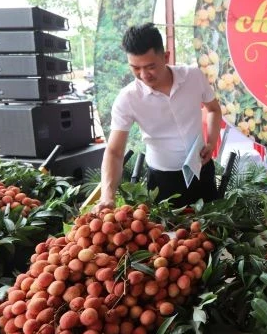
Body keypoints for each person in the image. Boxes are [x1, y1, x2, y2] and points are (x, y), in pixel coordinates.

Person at [94, 23, 222, 210]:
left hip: (202, 169)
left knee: (213, 231)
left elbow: (213, 110)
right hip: (163, 181)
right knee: (168, 236)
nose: (144, 75)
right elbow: (114, 152)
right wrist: (107, 195)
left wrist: (210, 143)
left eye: (150, 66)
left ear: (166, 56)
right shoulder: (128, 98)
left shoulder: (193, 77)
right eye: (135, 68)